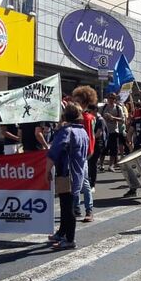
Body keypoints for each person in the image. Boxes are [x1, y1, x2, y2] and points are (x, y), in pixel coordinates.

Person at [47, 103, 89, 250]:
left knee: (67, 207)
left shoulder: (67, 131)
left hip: (67, 173)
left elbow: (54, 152)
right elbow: (88, 152)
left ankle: (69, 239)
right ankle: (62, 233)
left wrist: (47, 170)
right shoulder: (83, 132)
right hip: (78, 172)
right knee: (67, 204)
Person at [72, 85, 97, 220]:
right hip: (75, 154)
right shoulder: (80, 116)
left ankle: (89, 210)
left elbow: (87, 137)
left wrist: (86, 153)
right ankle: (76, 208)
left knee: (84, 182)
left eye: (78, 101)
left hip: (82, 154)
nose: (76, 103)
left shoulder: (86, 118)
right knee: (74, 181)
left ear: (86, 103)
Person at [101, 93, 125, 171]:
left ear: (115, 99)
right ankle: (101, 165)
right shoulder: (103, 107)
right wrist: (104, 118)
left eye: (113, 98)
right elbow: (98, 117)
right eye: (109, 98)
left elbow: (122, 120)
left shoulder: (118, 108)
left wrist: (113, 118)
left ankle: (111, 165)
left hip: (114, 131)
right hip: (104, 131)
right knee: (103, 149)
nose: (111, 100)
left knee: (113, 149)